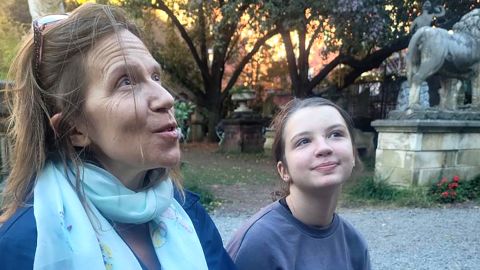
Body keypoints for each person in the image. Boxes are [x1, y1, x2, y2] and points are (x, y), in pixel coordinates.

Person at [0, 3, 235, 270]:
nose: (166, 98)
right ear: (74, 129)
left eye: (155, 77)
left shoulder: (187, 212)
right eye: (126, 82)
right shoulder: (26, 245)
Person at [226, 97, 371, 270]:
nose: (324, 147)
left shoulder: (354, 244)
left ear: (353, 154)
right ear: (284, 170)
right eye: (304, 141)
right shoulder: (257, 246)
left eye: (336, 134)